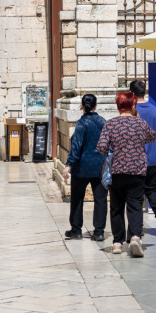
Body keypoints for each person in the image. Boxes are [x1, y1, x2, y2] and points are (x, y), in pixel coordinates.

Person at [96, 91, 156, 257]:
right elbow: (152, 137)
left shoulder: (110, 124)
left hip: (117, 171)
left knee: (116, 207)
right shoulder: (140, 123)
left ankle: (117, 242)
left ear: (118, 106)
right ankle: (135, 237)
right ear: (133, 105)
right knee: (135, 205)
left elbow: (101, 147)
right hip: (137, 170)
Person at [62, 94, 107, 241]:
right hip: (100, 166)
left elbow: (76, 146)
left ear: (82, 105)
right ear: (96, 106)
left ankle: (76, 230)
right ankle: (99, 232)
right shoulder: (103, 122)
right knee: (100, 199)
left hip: (82, 168)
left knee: (77, 198)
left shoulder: (81, 123)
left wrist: (69, 164)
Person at [130, 80, 156, 236]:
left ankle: (137, 227)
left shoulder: (131, 110)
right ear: (145, 92)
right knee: (152, 189)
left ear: (131, 93)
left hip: (136, 159)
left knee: (136, 194)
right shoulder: (155, 110)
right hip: (153, 158)